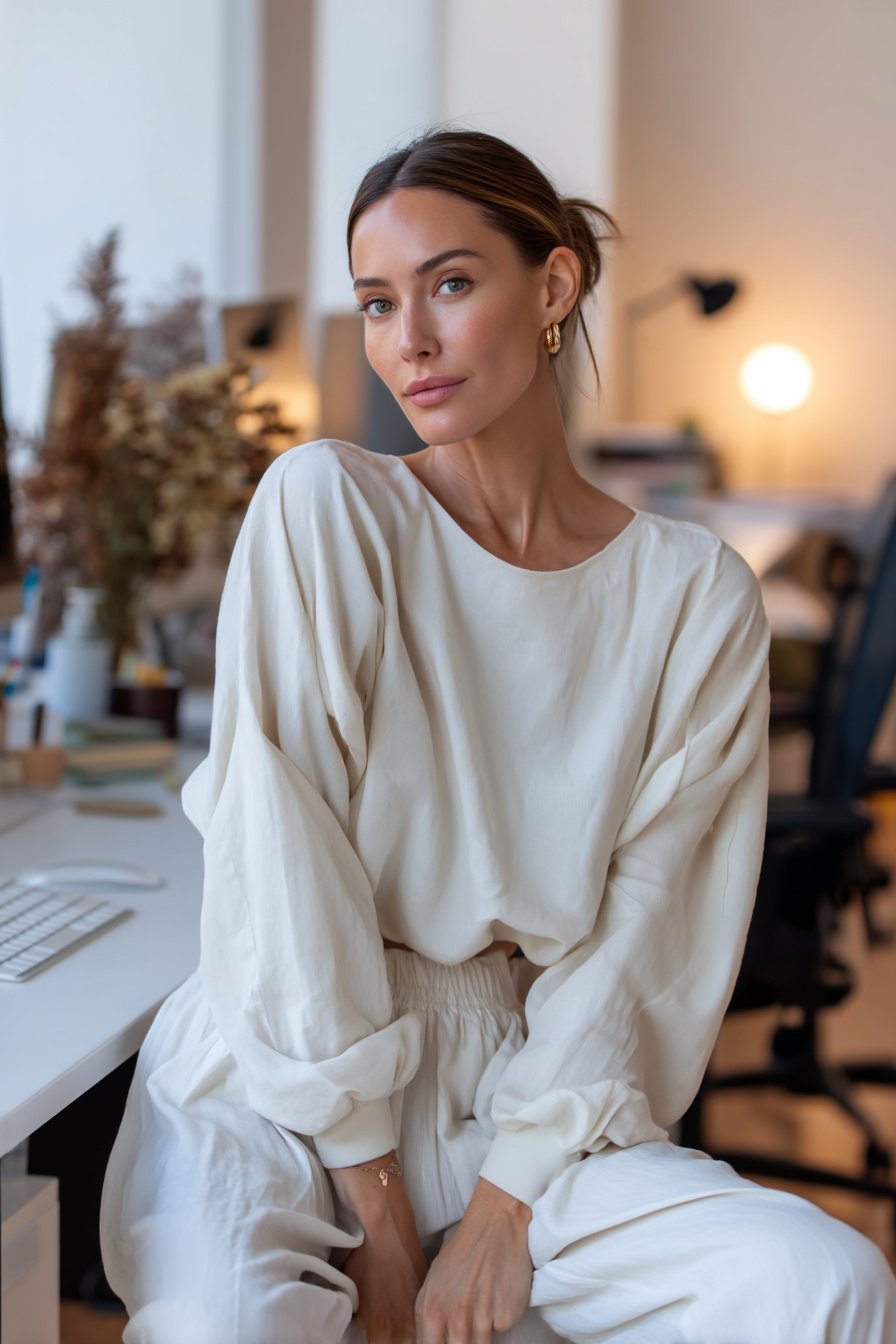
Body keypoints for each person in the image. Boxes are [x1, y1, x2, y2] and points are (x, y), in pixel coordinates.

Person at [100, 128, 896, 1344]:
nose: (405, 341)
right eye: (377, 302)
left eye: (450, 284)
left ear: (556, 287)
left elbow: (648, 929)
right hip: (287, 1072)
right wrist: (380, 1221)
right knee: (227, 1328)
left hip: (526, 1089)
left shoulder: (692, 594)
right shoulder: (330, 508)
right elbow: (282, 853)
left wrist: (500, 1211)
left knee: (818, 1285)